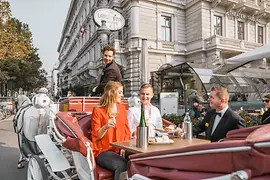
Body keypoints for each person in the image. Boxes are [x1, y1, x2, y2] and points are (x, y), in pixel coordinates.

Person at [91, 81, 130, 180]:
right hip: (103, 151)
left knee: (141, 158)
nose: (122, 95)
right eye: (120, 92)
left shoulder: (122, 109)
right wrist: (106, 126)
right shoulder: (98, 110)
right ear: (111, 93)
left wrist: (124, 147)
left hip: (120, 149)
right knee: (122, 165)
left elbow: (126, 131)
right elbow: (97, 135)